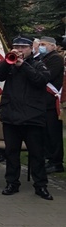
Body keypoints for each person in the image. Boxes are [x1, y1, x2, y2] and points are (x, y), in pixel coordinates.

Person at [0, 36, 53, 199]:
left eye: (23, 47)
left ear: (30, 49)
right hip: (11, 116)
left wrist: (23, 65)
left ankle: (40, 186)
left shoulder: (38, 64)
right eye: (16, 47)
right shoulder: (9, 63)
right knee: (12, 153)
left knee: (37, 154)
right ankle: (12, 183)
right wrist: (7, 61)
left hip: (33, 117)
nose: (19, 50)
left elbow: (41, 80)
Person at [38, 36, 64, 174]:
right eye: (40, 44)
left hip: (51, 101)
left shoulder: (56, 58)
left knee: (53, 133)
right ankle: (49, 158)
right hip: (44, 102)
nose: (41, 46)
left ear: (53, 46)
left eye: (44, 44)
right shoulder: (43, 59)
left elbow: (48, 75)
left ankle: (56, 162)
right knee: (46, 133)